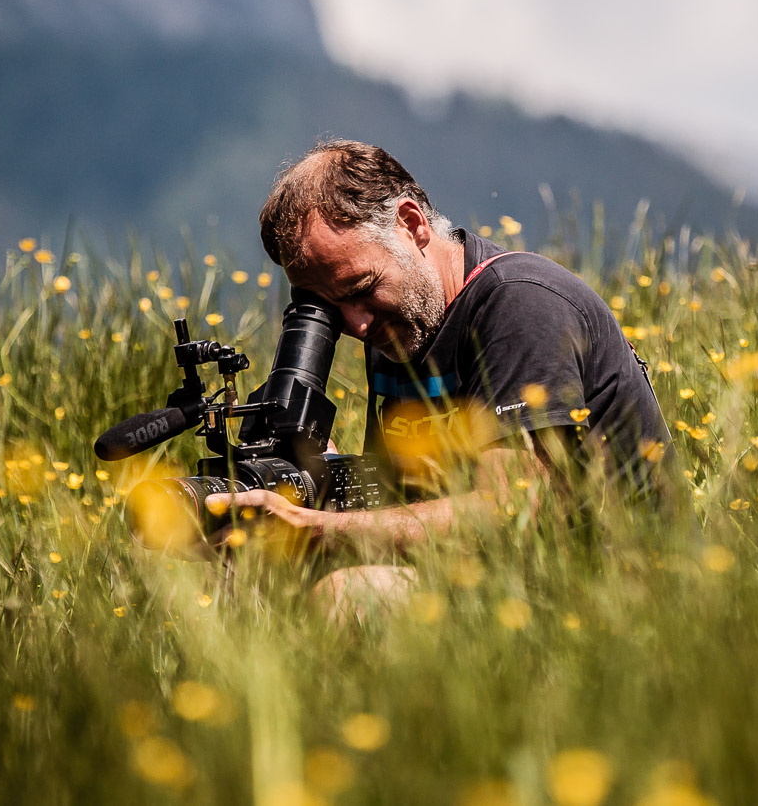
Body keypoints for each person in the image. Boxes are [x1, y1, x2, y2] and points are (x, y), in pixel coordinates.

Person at [204, 139, 671, 620]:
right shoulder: (402, 326)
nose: (358, 325)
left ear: (412, 224)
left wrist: (312, 526)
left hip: (617, 591)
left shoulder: (520, 305)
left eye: (361, 289)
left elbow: (510, 511)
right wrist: (309, 482)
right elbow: (402, 500)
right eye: (331, 309)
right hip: (493, 578)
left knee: (352, 593)